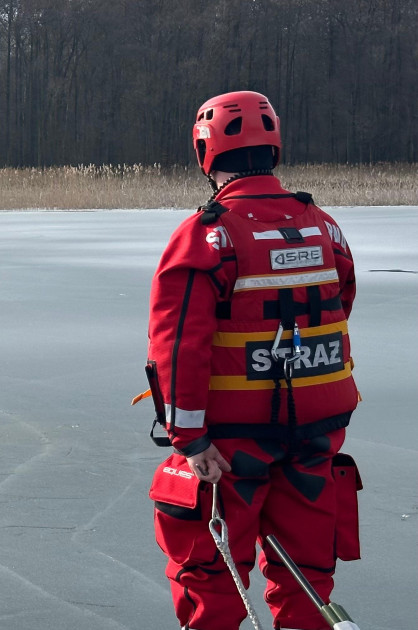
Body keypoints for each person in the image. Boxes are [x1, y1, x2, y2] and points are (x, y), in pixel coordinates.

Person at [145, 91, 362, 630]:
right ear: (275, 149)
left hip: (231, 444)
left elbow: (178, 344)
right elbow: (340, 304)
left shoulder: (207, 235)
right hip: (315, 436)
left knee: (213, 583)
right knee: (309, 580)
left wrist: (190, 440)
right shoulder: (323, 226)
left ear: (206, 155)